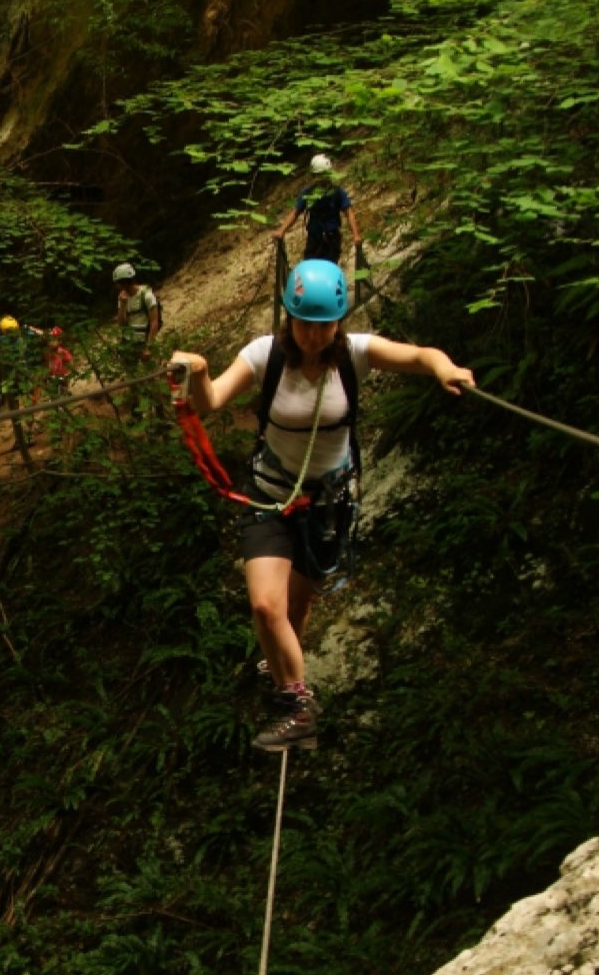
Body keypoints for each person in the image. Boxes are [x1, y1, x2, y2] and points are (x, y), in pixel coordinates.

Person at [167, 259, 472, 751]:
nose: (311, 334)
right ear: (289, 317)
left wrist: (444, 368)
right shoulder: (265, 355)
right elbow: (211, 401)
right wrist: (199, 372)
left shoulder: (356, 355)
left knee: (297, 604)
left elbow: (419, 356)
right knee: (267, 606)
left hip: (325, 506)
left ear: (338, 321)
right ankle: (297, 702)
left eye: (323, 323)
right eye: (303, 322)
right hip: (268, 496)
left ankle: (285, 663)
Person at [277, 154, 363, 264]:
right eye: (319, 175)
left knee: (329, 266)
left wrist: (356, 235)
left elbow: (349, 212)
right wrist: (281, 230)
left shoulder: (336, 192)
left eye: (324, 175)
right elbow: (295, 213)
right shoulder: (307, 193)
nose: (322, 179)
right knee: (310, 265)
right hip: (314, 238)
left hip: (332, 238)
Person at [112, 263, 161, 358]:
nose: (118, 286)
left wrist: (149, 346)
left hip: (144, 341)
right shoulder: (122, 297)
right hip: (128, 342)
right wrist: (122, 305)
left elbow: (154, 322)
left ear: (125, 282)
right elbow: (121, 324)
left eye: (119, 283)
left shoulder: (146, 295)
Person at [44, 326, 74, 397]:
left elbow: (70, 361)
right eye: (49, 340)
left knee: (62, 391)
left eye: (53, 340)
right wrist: (49, 372)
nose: (50, 342)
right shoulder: (49, 353)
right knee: (54, 392)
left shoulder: (62, 352)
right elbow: (50, 364)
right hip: (54, 376)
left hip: (63, 376)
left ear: (60, 341)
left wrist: (69, 373)